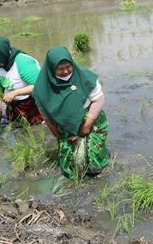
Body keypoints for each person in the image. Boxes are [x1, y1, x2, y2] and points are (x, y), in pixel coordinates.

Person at [33, 46, 108, 180]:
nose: (66, 71)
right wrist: (53, 129)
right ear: (51, 69)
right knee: (72, 166)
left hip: (89, 119)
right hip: (63, 124)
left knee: (91, 162)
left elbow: (99, 100)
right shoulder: (41, 88)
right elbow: (43, 111)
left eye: (68, 66)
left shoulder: (85, 77)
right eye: (60, 69)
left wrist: (87, 125)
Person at [0, 37, 43, 127]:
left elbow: (39, 86)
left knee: (37, 127)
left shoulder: (23, 62)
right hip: (16, 106)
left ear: (3, 55)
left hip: (35, 103)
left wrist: (14, 93)